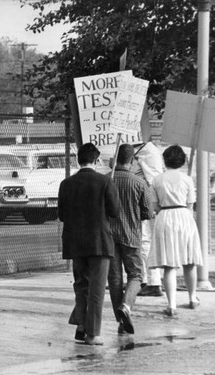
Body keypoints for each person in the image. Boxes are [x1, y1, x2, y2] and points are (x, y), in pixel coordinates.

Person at [58, 143, 120, 345]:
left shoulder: (66, 184)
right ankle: (92, 334)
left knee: (81, 286)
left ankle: (81, 326)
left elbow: (62, 215)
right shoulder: (104, 182)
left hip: (76, 242)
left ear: (79, 160)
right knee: (97, 289)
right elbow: (114, 211)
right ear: (96, 160)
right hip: (99, 241)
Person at [148, 145, 202, 316]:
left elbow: (154, 206)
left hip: (165, 216)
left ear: (165, 160)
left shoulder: (157, 180)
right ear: (183, 161)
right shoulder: (187, 179)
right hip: (184, 216)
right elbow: (190, 205)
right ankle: (192, 298)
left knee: (169, 264)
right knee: (189, 261)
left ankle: (171, 305)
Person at [107, 144, 152, 335]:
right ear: (132, 161)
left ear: (115, 160)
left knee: (115, 279)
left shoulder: (106, 181)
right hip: (131, 236)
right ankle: (126, 306)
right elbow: (147, 213)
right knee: (136, 275)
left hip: (109, 237)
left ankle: (120, 321)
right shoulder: (139, 183)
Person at [132, 141, 165, 297]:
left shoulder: (148, 152)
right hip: (139, 203)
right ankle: (145, 279)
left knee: (145, 242)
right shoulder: (142, 150)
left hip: (144, 204)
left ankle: (152, 282)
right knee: (141, 242)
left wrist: (150, 206)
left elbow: (153, 182)